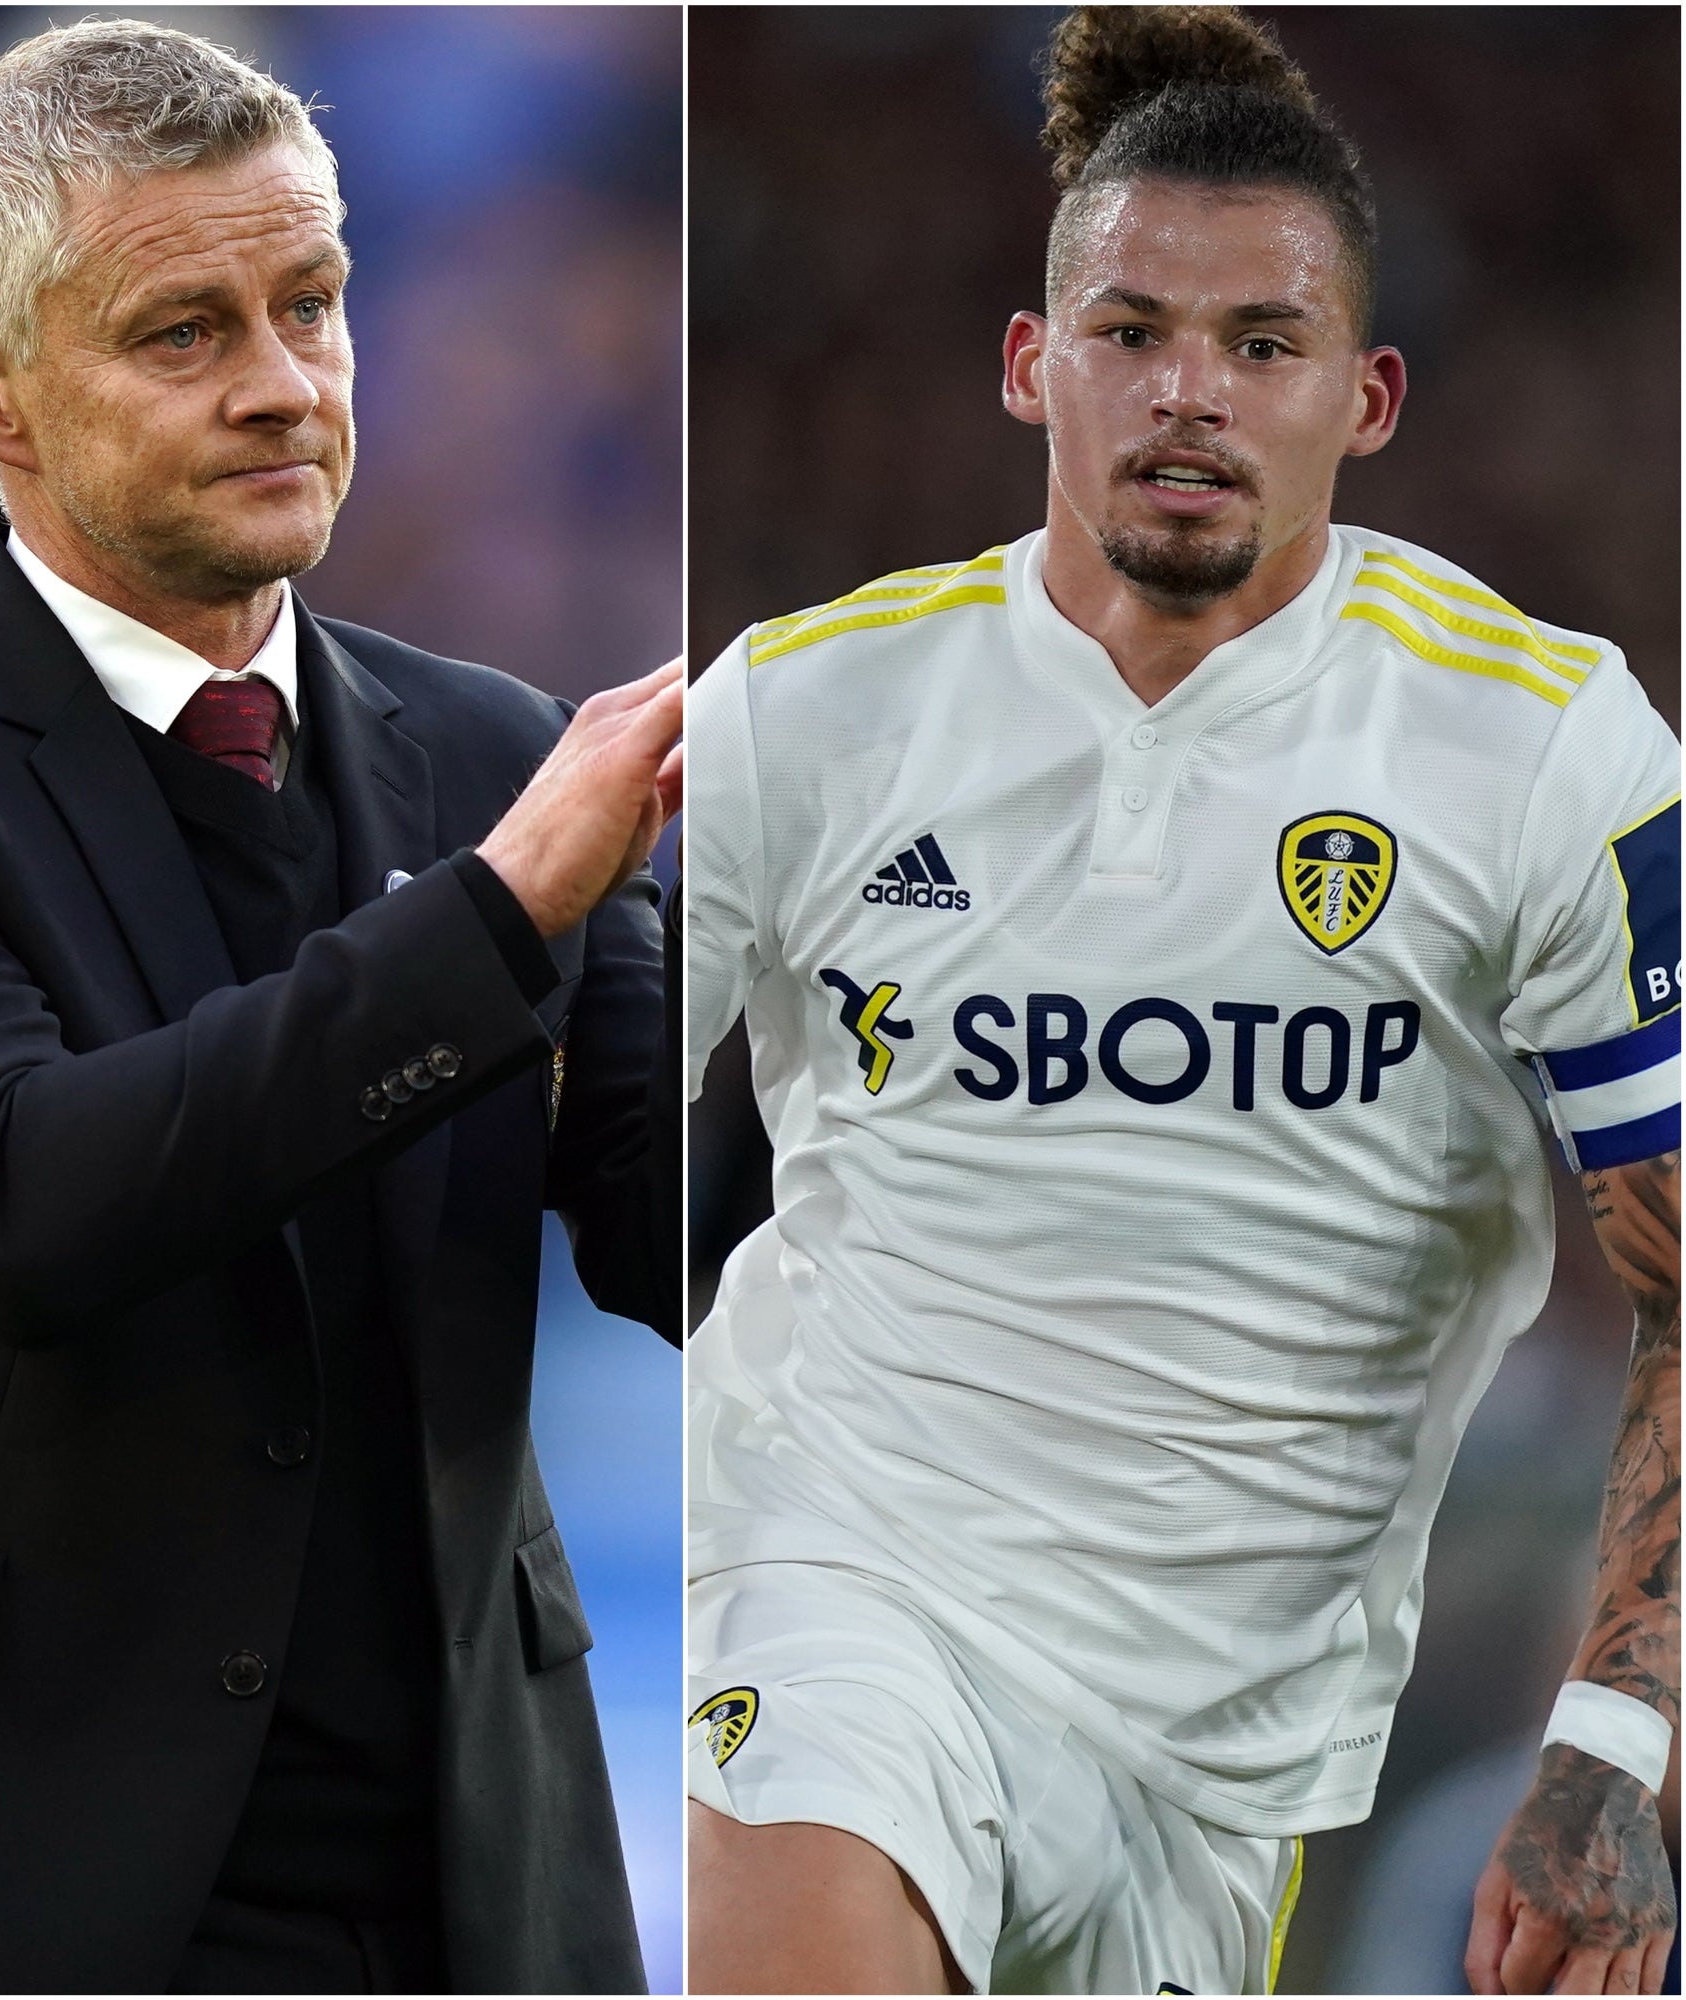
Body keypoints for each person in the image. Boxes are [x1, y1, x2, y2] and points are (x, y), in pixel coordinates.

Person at [684, 8, 1678, 1994]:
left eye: (1261, 343)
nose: (1185, 394)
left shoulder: (1543, 748)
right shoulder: (801, 713)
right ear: (1026, 361)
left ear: (1366, 396)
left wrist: (1622, 1739)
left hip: (1223, 1744)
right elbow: (565, 1123)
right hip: (845, 1577)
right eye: (1128, 329)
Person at [0, 19, 681, 1995]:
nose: (282, 385)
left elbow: (696, 1230)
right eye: (185, 333)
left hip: (471, 1890)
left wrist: (878, 1006)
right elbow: (19, 1198)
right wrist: (498, 912)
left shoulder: (491, 748)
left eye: (311, 303)